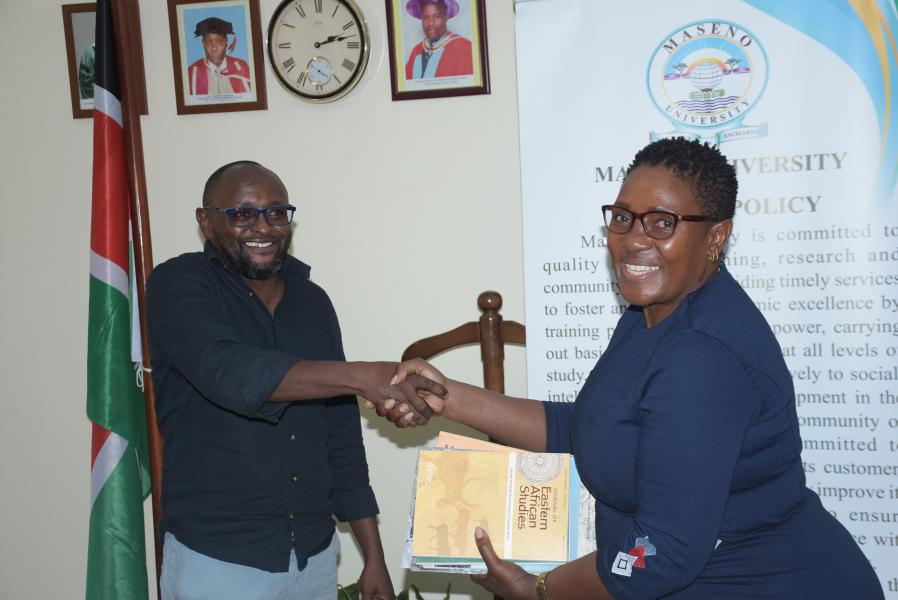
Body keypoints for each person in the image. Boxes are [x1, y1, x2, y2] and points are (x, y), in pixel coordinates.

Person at [387, 138, 885, 599]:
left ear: (716, 235)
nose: (632, 239)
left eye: (662, 222)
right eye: (623, 217)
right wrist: (447, 395)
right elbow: (586, 425)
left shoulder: (701, 357)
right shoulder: (649, 315)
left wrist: (538, 589)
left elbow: (661, 554)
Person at [146, 161, 441, 600]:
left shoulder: (313, 303)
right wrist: (363, 376)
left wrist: (373, 557)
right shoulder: (178, 284)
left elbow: (341, 438)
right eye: (243, 214)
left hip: (315, 559)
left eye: (277, 212)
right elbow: (232, 374)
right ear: (206, 221)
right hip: (219, 564)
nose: (264, 226)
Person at [404, 0, 473, 79]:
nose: (431, 23)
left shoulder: (465, 47)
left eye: (437, 16)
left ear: (446, 17)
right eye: (425, 17)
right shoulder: (416, 51)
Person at [187, 16, 252, 96]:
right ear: (203, 44)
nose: (214, 48)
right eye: (208, 42)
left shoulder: (241, 67)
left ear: (226, 42)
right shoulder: (191, 73)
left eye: (219, 41)